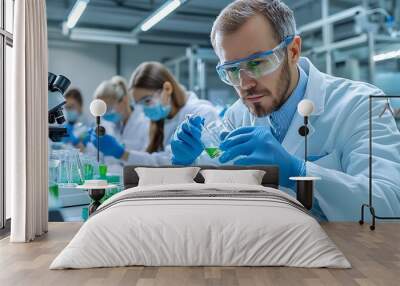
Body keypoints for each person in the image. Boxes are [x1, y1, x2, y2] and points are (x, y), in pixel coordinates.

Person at [170, 0, 400, 221]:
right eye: (232, 70)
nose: (245, 83)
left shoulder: (360, 104)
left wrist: (298, 171)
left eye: (257, 63)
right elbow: (219, 170)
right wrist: (190, 163)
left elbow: (388, 205)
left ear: (293, 51)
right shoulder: (237, 116)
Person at [92, 61, 219, 166]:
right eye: (140, 104)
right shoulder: (160, 120)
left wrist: (122, 153)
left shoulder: (202, 113)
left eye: (147, 100)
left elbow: (214, 160)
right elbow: (153, 159)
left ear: (167, 89)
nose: (144, 109)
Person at [89, 76, 150, 166]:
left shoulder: (145, 123)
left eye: (108, 108)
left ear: (124, 100)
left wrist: (121, 153)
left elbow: (151, 161)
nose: (105, 114)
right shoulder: (107, 125)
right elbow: (98, 160)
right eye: (102, 110)